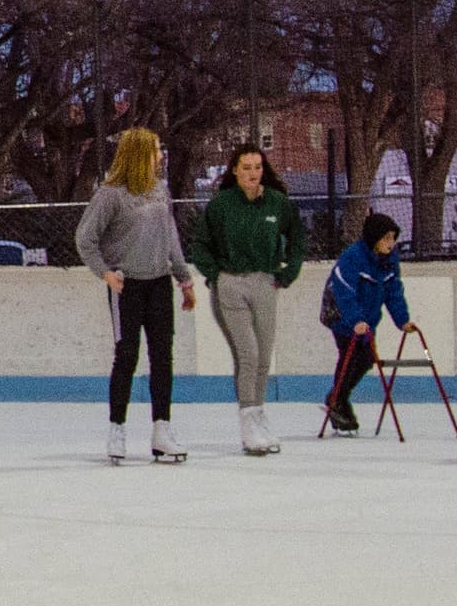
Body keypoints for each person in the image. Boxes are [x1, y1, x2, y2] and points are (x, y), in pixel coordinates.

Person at [75, 126, 196, 465]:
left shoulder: (160, 190)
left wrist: (183, 280)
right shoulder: (110, 194)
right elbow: (85, 239)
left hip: (158, 283)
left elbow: (170, 237)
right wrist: (105, 273)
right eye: (156, 149)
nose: (161, 155)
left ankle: (162, 428)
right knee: (126, 356)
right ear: (141, 153)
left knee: (163, 356)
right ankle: (117, 427)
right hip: (126, 286)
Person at [192, 144, 303, 456]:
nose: (253, 173)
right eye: (246, 167)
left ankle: (258, 413)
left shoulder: (277, 203)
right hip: (231, 285)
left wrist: (288, 272)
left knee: (264, 357)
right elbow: (200, 244)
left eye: (257, 167)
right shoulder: (221, 205)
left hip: (264, 282)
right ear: (234, 171)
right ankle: (247, 419)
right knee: (248, 354)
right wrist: (216, 274)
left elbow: (297, 238)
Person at [315, 214, 418, 439]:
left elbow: (393, 292)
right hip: (340, 314)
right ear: (374, 238)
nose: (391, 243)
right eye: (386, 238)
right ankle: (338, 401)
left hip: (367, 319)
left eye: (393, 238)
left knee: (366, 359)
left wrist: (402, 320)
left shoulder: (390, 260)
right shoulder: (352, 257)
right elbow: (344, 292)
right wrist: (355, 320)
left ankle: (337, 398)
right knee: (351, 355)